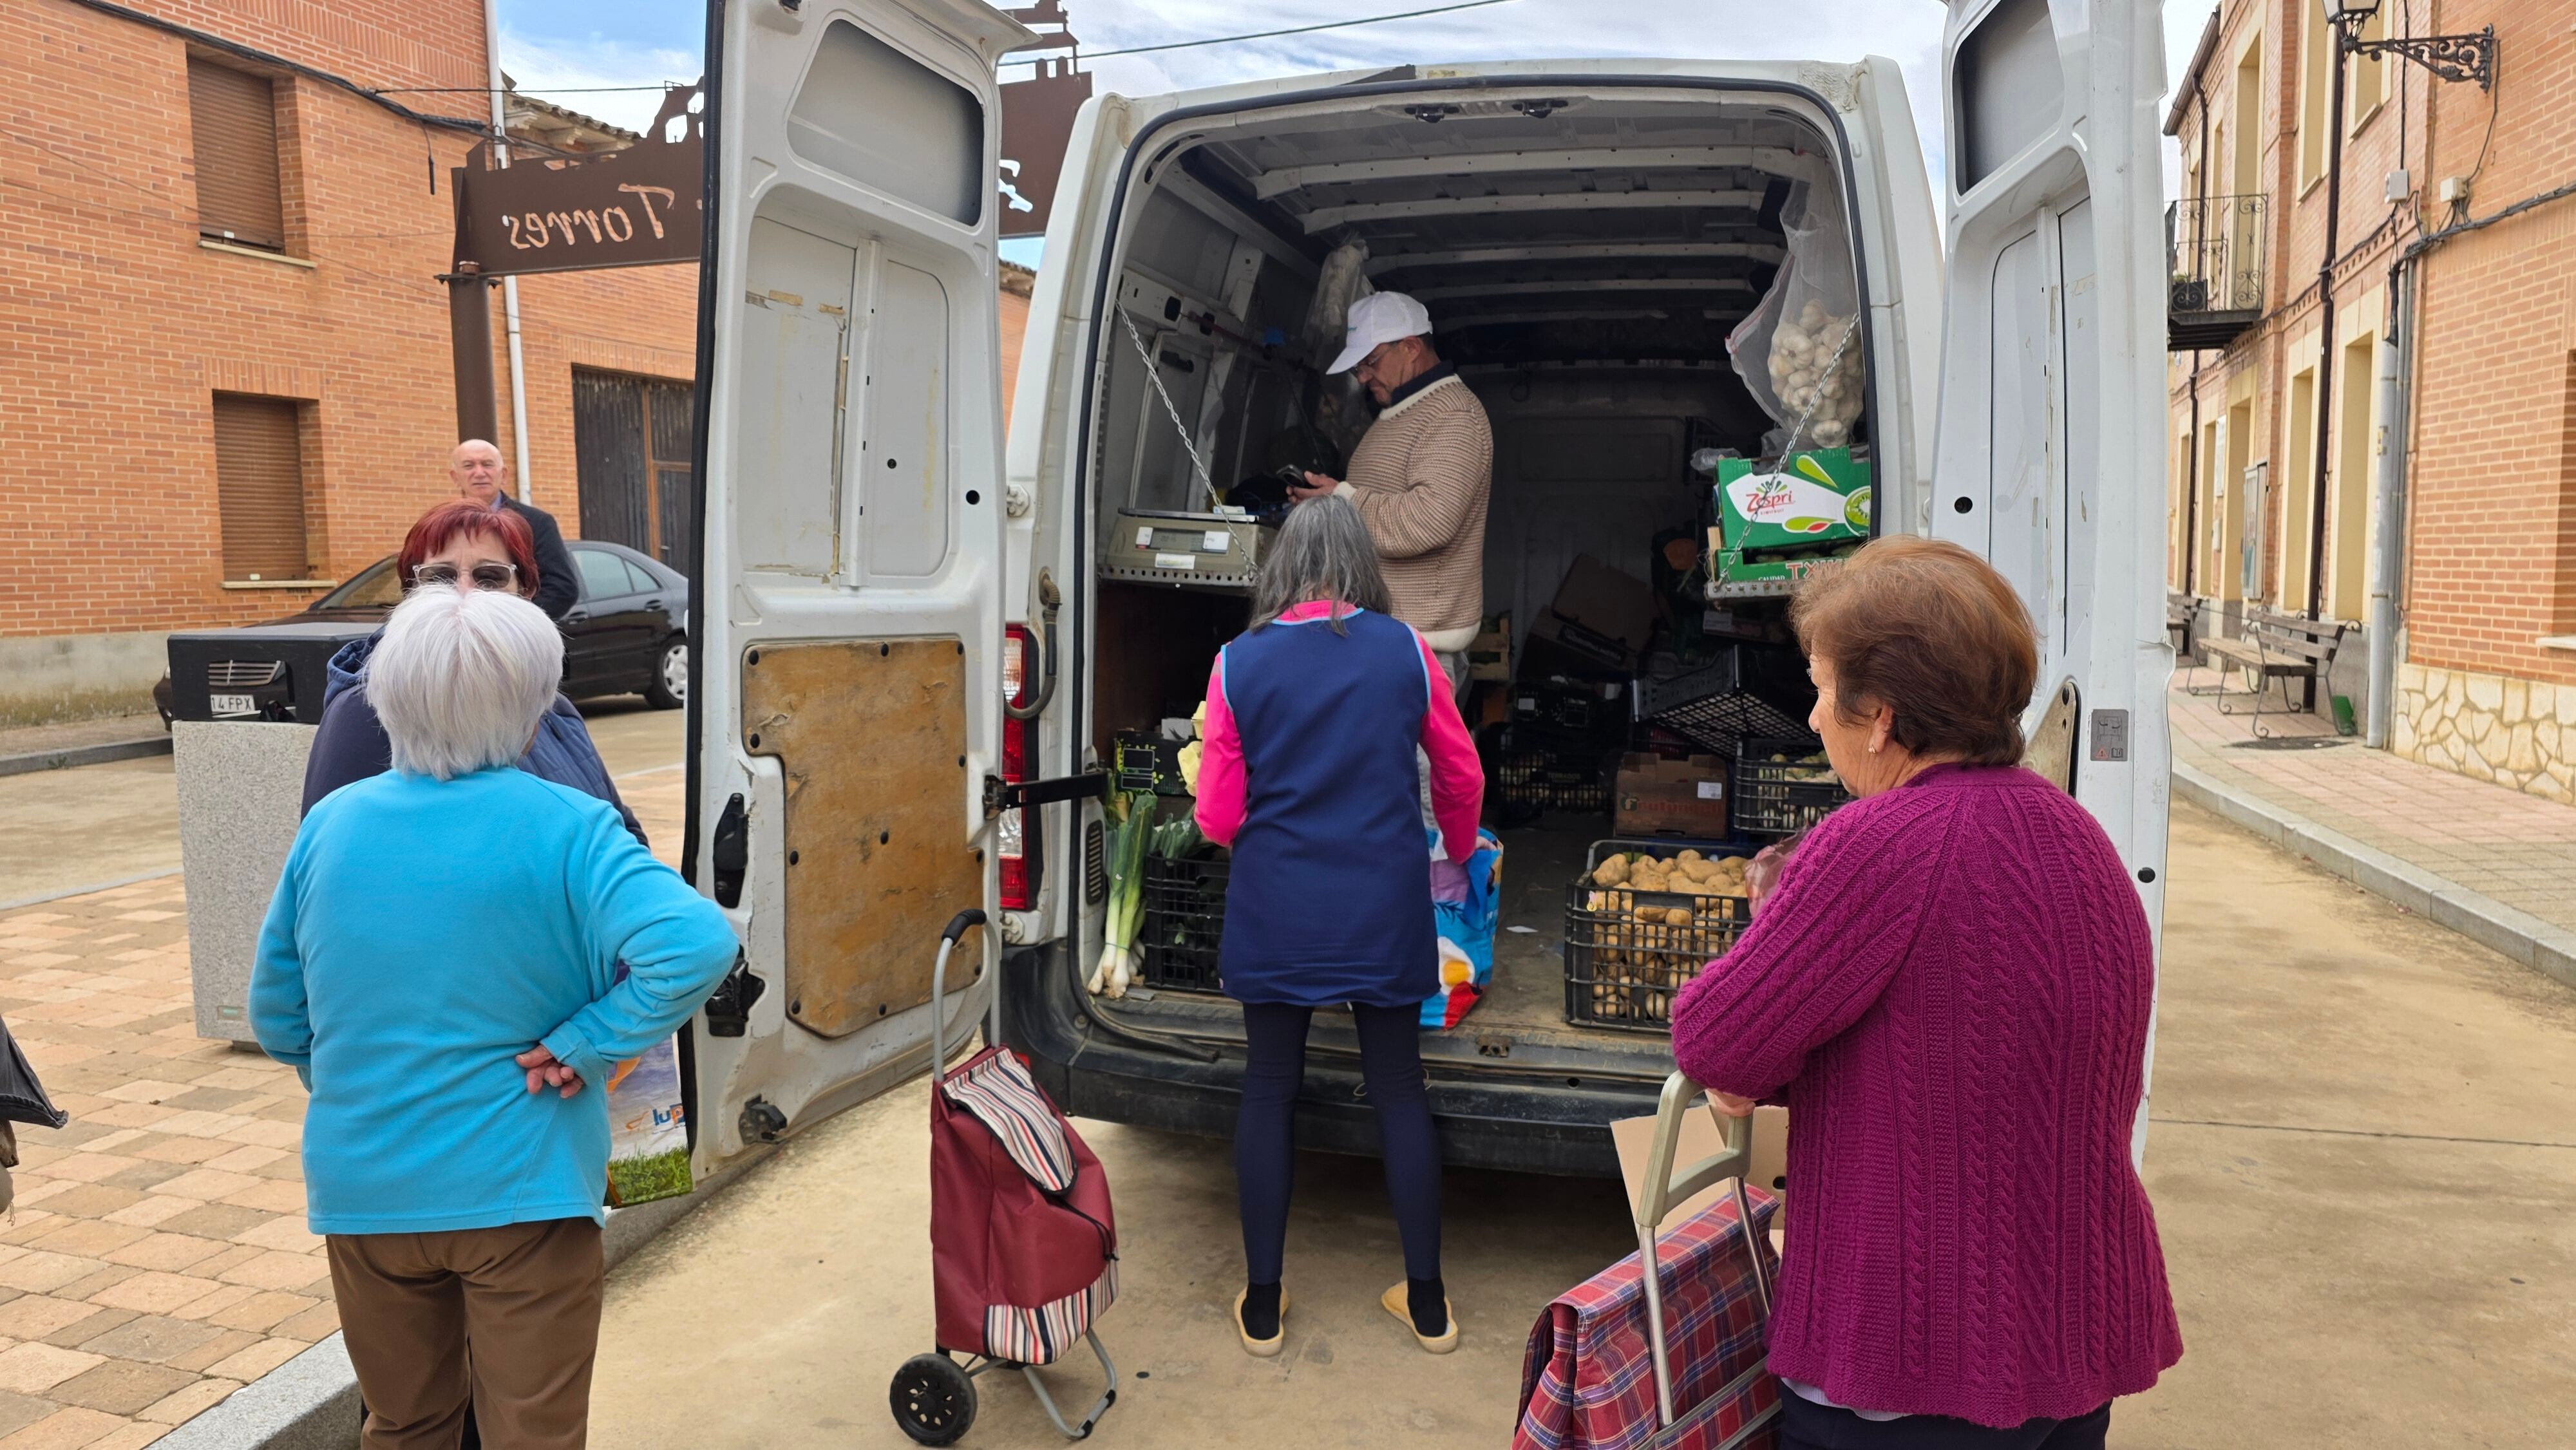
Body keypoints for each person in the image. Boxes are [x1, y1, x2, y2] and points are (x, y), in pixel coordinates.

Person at [1669, 537, 2183, 1450]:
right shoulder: (2081, 839)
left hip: (1911, 1365)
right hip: (2067, 1342)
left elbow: (1717, 1040)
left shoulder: (1875, 845)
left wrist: (1778, 1029)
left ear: (1881, 719)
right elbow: (1967, 1046)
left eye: (1823, 688)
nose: (1814, 715)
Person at [252, 584, 737, 1450]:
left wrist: (350, 1082)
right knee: (532, 1433)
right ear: (531, 707)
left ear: (387, 698)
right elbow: (696, 944)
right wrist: (589, 1040)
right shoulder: (568, 826)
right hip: (525, 1187)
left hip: (364, 1191)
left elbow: (278, 1014)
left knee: (405, 1423)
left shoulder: (330, 824)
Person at [1190, 494, 1483, 1359]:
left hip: (1277, 907)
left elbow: (1214, 816)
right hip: (1383, 905)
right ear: (1364, 563)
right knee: (1399, 1089)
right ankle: (1428, 1306)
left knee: (1270, 1087)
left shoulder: (1237, 664)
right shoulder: (1408, 650)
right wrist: (1457, 855)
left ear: (1282, 567)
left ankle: (1264, 1305)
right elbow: (1459, 776)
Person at [301, 500, 643, 843]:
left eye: (490, 578)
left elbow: (619, 824)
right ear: (410, 593)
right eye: (440, 577)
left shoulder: (552, 705)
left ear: (526, 593)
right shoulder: (365, 709)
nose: (465, 592)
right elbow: (333, 855)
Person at [1287, 292, 1492, 697]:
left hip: (1421, 648)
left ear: (1412, 347)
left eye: (1370, 362)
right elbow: (1381, 499)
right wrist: (1331, 502)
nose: (1362, 377)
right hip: (1391, 638)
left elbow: (1427, 522)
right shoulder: (1407, 409)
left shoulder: (1453, 416)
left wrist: (1343, 499)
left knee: (1401, 763)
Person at [451, 438, 578, 620]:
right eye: (469, 466)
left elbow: (563, 589)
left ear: (503, 474)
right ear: (455, 477)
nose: (479, 473)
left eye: (487, 464)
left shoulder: (537, 523)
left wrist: (512, 623)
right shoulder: (442, 527)